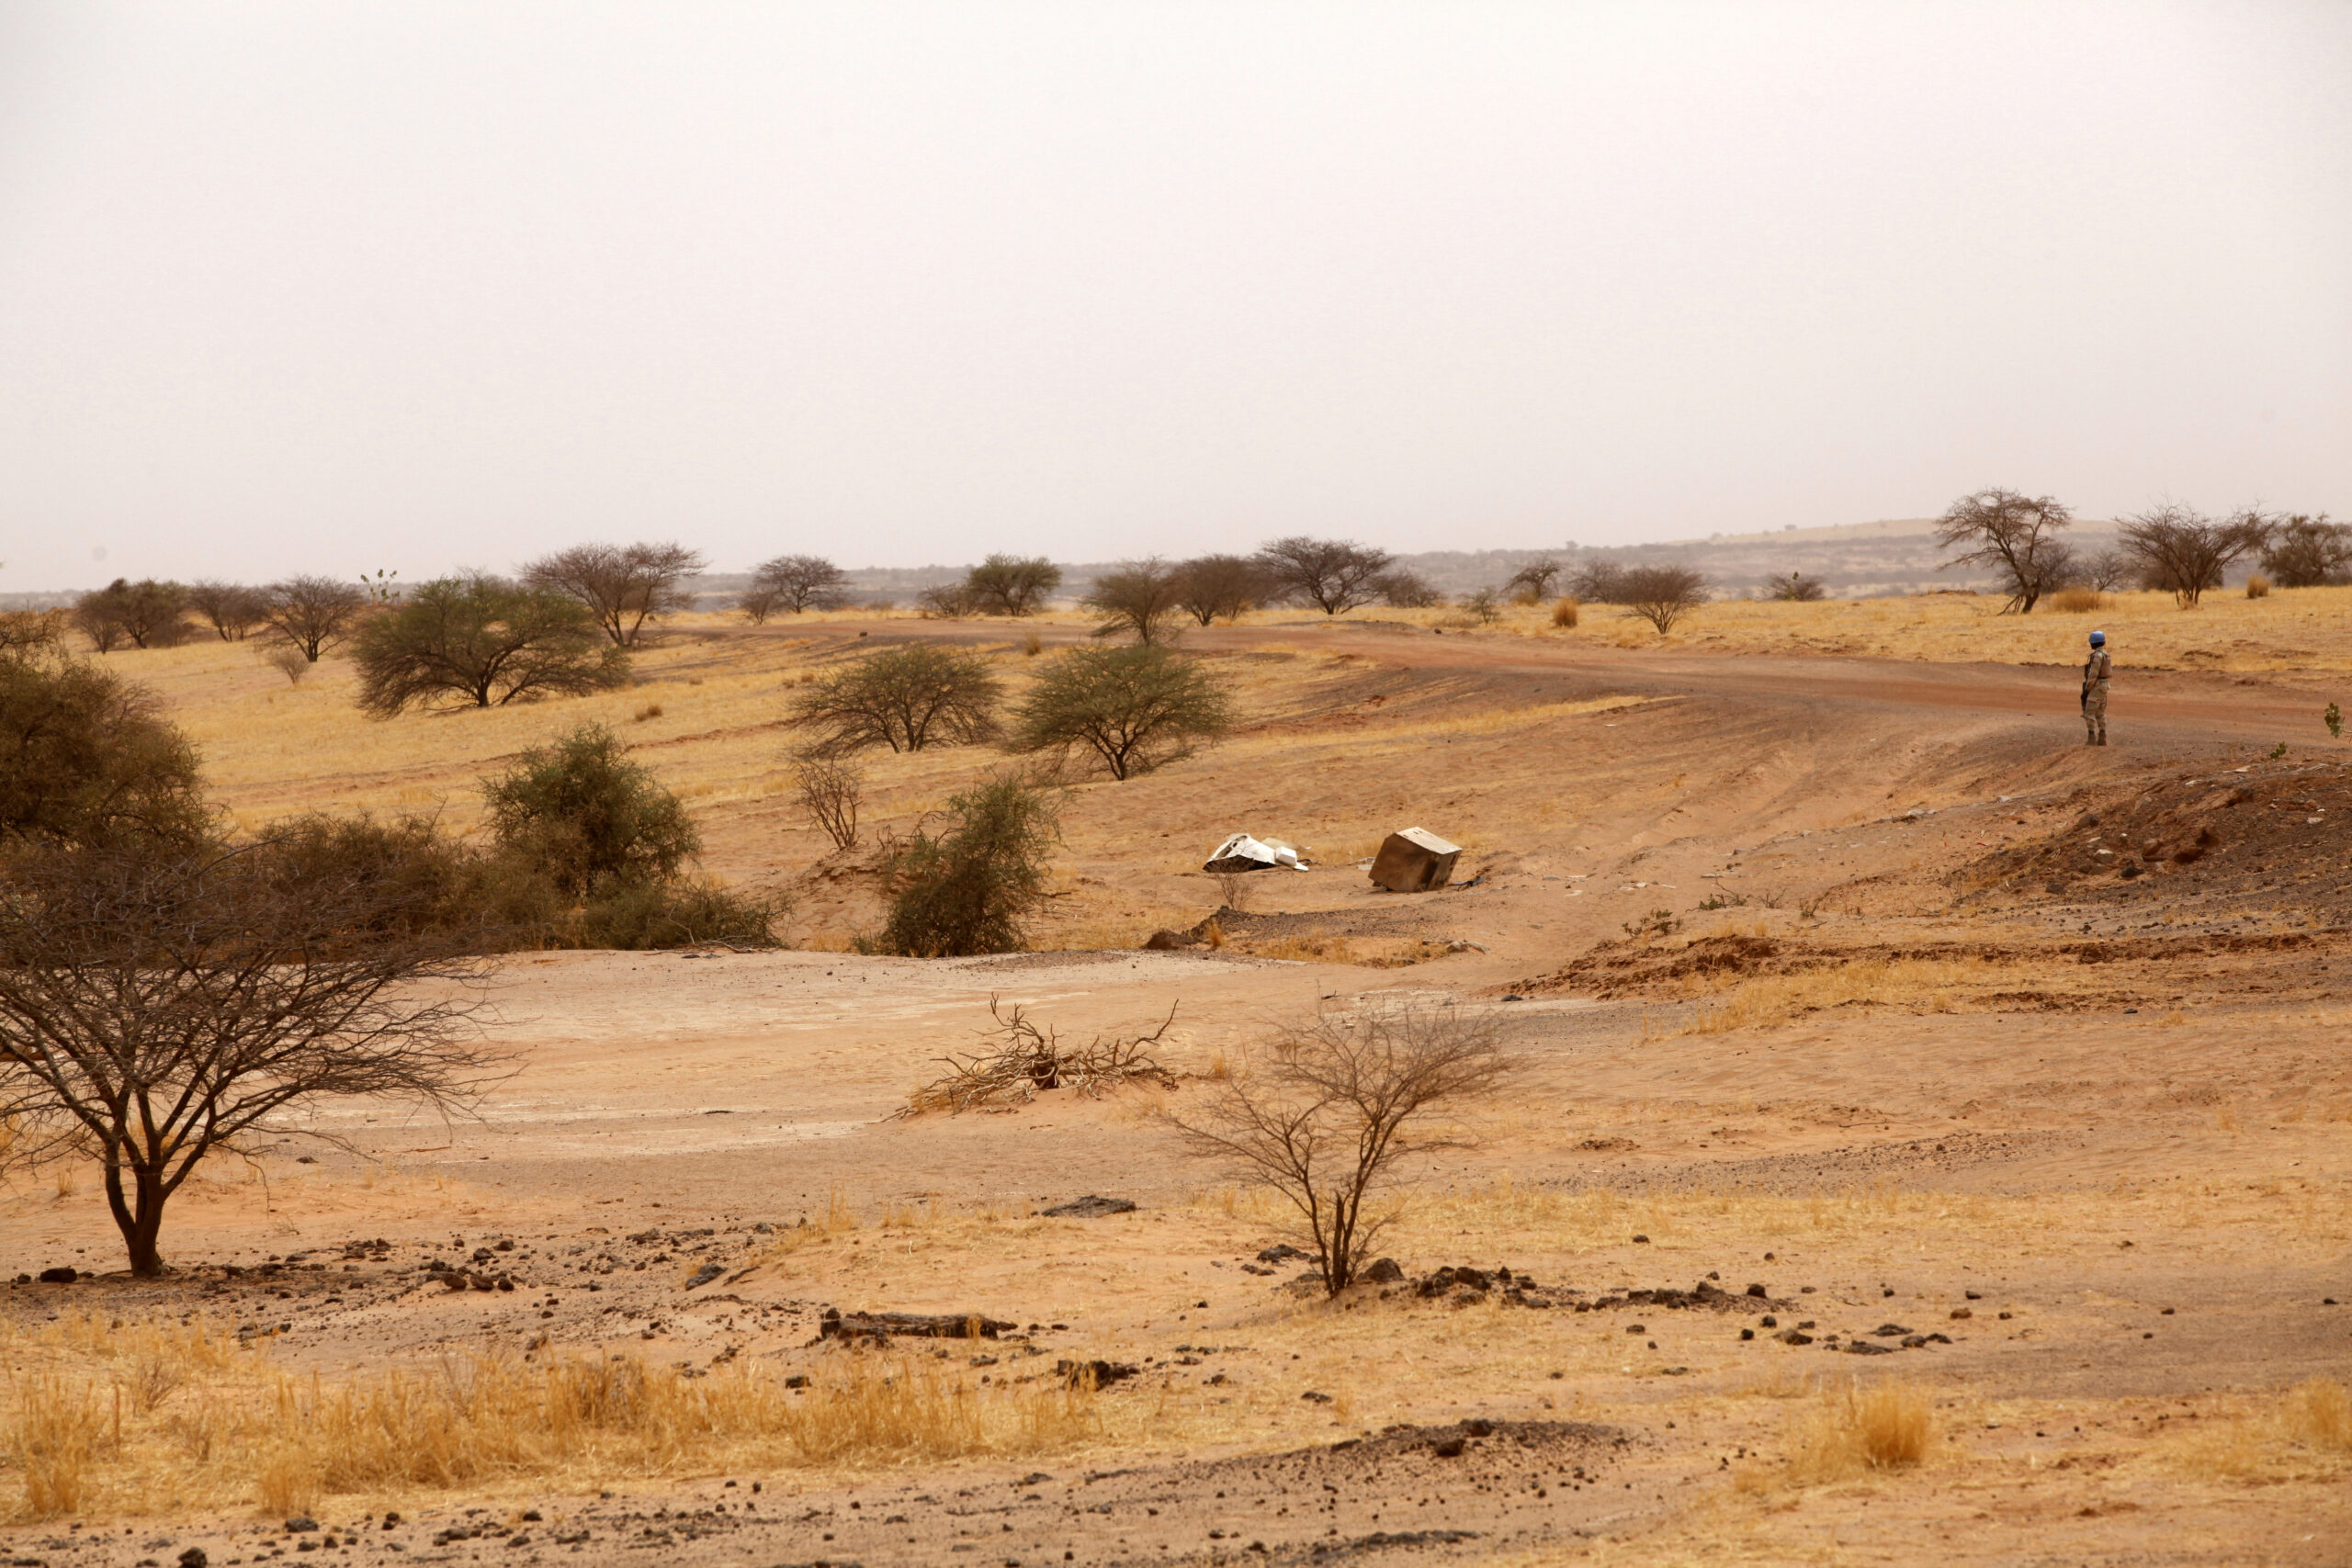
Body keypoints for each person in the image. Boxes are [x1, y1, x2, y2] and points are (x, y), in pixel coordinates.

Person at [2081, 630, 2111, 746]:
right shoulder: (2106, 654)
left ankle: (2091, 737)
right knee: (2100, 712)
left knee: (2089, 712)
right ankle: (2102, 737)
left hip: (2096, 685)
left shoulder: (2097, 656)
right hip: (2104, 685)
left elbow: (2093, 674)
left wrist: (2088, 688)